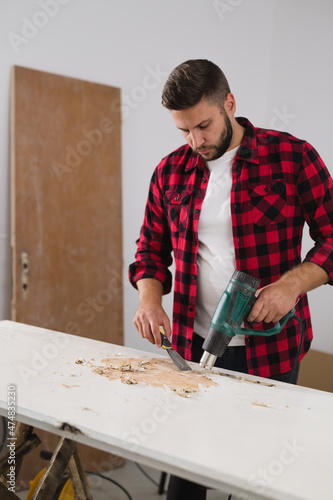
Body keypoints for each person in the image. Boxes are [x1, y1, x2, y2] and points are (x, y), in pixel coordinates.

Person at [128, 59, 333, 499]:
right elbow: (149, 252)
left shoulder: (292, 156)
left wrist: (292, 284)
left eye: (202, 125)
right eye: (183, 131)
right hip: (192, 344)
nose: (195, 141)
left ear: (230, 104)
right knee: (188, 471)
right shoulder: (170, 172)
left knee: (263, 472)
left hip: (271, 351)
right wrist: (149, 300)